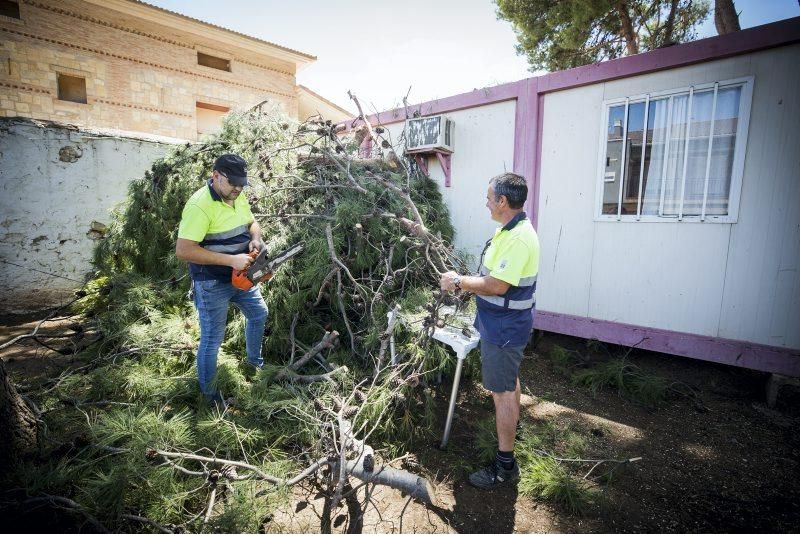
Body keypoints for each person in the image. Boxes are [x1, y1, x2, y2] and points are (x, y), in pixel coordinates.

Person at [440, 172, 539, 490]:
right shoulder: (508, 230)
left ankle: (505, 466)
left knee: (502, 393)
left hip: (505, 328)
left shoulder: (519, 238)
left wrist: (458, 281)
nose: (485, 203)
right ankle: (513, 428)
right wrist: (470, 286)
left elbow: (497, 284)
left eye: (489, 197)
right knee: (509, 382)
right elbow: (491, 276)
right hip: (500, 324)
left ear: (503, 201)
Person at [175, 154, 268, 405]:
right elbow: (184, 250)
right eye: (233, 183)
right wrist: (231, 260)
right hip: (212, 282)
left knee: (259, 314)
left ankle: (254, 364)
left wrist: (255, 239)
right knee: (212, 339)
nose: (238, 189)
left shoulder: (236, 195)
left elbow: (252, 222)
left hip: (242, 276)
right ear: (216, 175)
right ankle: (210, 396)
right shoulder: (199, 205)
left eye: (241, 184)